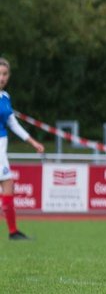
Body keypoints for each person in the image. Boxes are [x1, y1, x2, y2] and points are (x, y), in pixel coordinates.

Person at [0, 58, 45, 240]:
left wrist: (33, 142)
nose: (1, 77)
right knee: (8, 185)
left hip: (1, 147)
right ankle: (13, 232)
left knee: (8, 186)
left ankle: (13, 232)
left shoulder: (5, 97)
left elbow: (13, 123)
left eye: (4, 74)